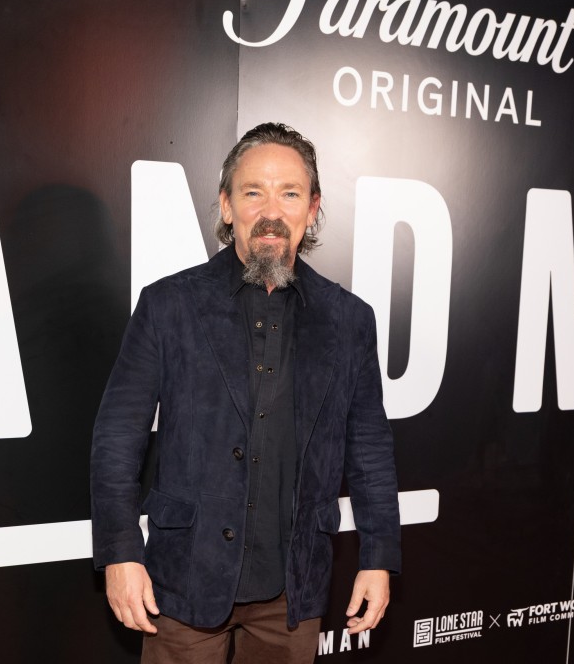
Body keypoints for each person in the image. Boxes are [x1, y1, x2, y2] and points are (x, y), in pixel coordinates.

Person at [91, 122, 401, 663]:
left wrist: (378, 557)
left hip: (294, 588)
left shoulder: (349, 321)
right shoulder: (168, 305)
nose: (271, 211)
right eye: (253, 192)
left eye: (290, 193)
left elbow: (370, 449)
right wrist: (119, 552)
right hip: (182, 580)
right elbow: (118, 438)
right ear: (227, 206)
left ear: (313, 208)